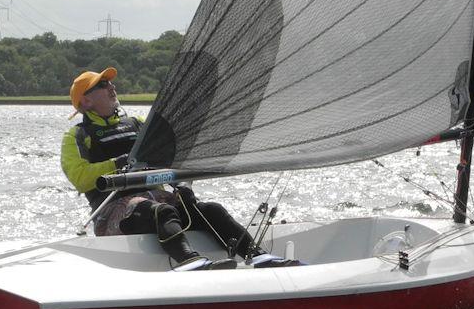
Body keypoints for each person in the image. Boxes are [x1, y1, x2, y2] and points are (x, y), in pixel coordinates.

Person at [61, 67, 299, 271]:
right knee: (161, 211)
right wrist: (118, 163)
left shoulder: (138, 125)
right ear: (86, 101)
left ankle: (258, 257)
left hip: (158, 200)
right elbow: (80, 178)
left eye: (110, 82)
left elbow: (175, 159)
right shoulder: (77, 135)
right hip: (114, 212)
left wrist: (182, 185)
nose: (111, 87)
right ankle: (189, 261)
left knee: (211, 210)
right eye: (102, 84)